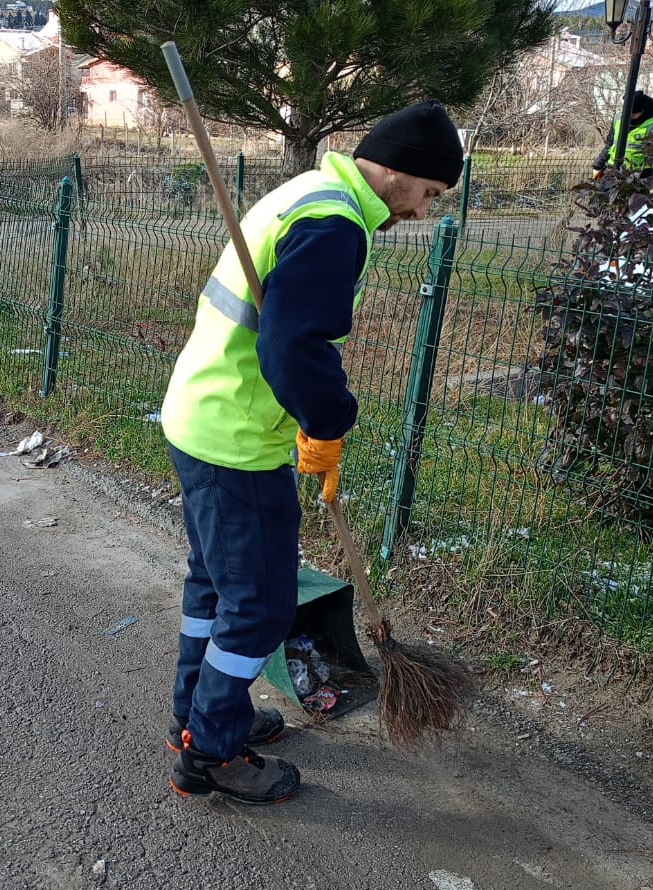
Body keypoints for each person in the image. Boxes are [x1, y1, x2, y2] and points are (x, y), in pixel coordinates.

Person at [158, 102, 464, 804]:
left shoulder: (310, 192)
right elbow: (292, 345)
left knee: (213, 587)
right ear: (397, 171)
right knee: (260, 606)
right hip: (238, 439)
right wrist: (327, 423)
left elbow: (283, 330)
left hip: (199, 415)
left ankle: (202, 712)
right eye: (428, 193)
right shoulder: (335, 224)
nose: (421, 213)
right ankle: (209, 753)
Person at [591, 91, 653, 184]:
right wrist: (598, 166)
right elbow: (610, 144)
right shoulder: (618, 119)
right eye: (627, 113)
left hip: (639, 176)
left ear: (641, 111)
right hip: (613, 171)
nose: (628, 117)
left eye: (632, 114)